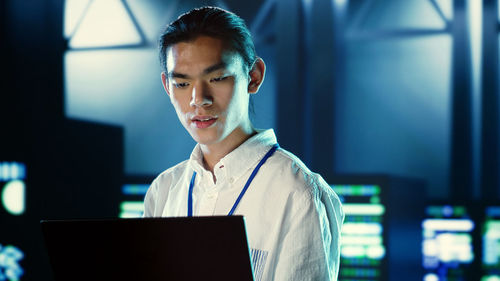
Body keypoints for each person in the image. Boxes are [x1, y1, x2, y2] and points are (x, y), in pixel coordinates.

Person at [143, 6, 344, 281]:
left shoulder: (297, 194)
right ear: (167, 86)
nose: (198, 99)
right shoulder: (164, 191)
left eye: (217, 78)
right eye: (182, 84)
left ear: (254, 76)